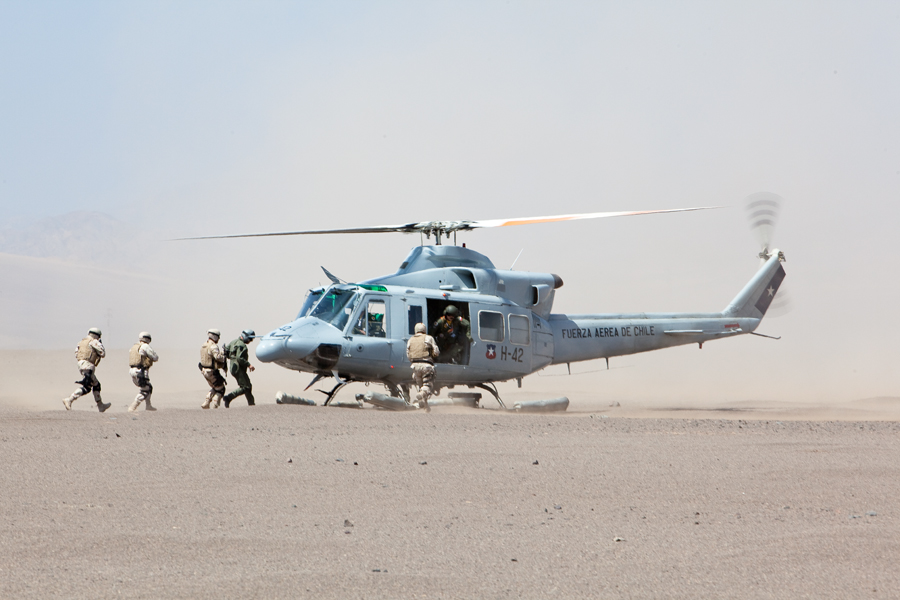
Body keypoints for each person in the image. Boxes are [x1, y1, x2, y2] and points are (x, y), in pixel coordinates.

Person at [63, 327, 111, 412]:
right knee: (88, 387)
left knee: (95, 384)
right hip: (88, 365)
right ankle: (70, 399)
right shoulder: (94, 342)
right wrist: (100, 345)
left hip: (81, 364)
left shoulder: (81, 342)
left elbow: (76, 353)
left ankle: (100, 405)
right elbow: (102, 353)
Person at [406, 322, 440, 412]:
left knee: (421, 386)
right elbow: (436, 352)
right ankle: (420, 395)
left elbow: (408, 355)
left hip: (414, 366)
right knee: (427, 386)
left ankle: (426, 406)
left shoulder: (410, 340)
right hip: (426, 365)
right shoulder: (429, 338)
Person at [224, 329, 257, 408]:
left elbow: (227, 353)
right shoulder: (241, 345)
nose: (250, 341)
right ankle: (228, 397)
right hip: (239, 368)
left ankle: (251, 404)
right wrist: (249, 365)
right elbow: (239, 358)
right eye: (250, 339)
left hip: (233, 367)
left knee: (248, 385)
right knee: (245, 387)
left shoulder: (233, 342)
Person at [128, 332, 159, 412]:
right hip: (141, 371)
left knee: (148, 387)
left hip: (132, 370)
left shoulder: (134, 346)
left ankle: (148, 405)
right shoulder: (145, 346)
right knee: (145, 389)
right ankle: (133, 406)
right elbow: (155, 357)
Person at [199, 329, 227, 409]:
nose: (218, 339)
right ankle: (215, 405)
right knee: (221, 389)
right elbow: (218, 357)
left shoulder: (204, 345)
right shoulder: (213, 346)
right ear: (214, 336)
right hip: (211, 371)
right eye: (218, 337)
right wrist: (224, 356)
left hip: (204, 370)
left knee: (215, 387)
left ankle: (206, 402)